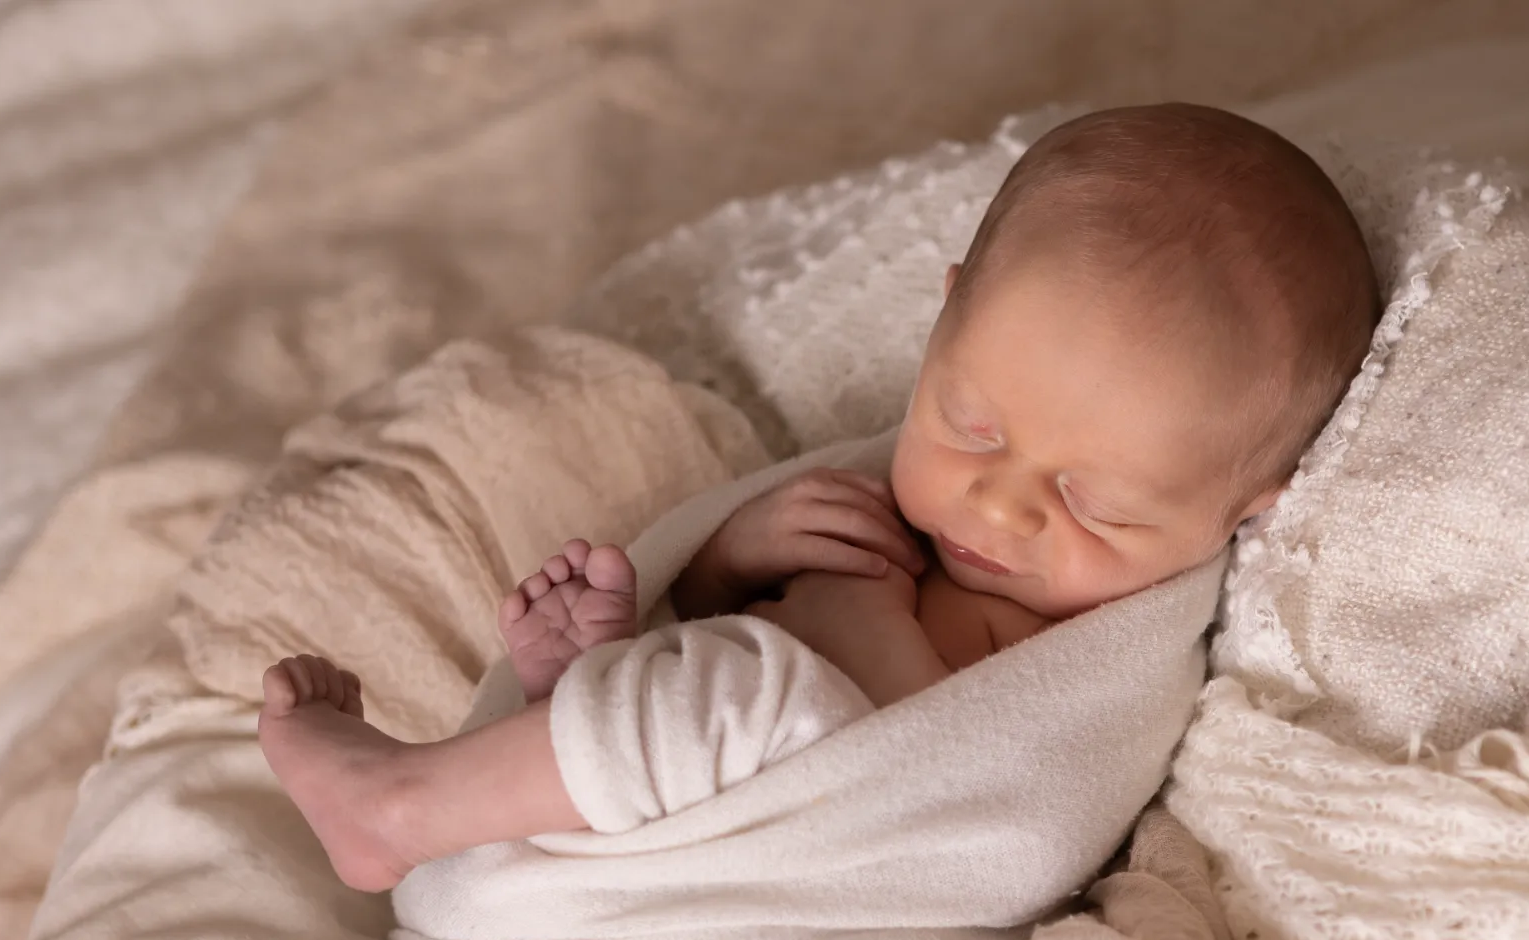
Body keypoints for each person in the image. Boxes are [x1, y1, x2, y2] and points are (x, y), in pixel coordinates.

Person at [258, 100, 1380, 895]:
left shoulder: (1123, 659)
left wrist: (865, 637)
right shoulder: (874, 499)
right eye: (970, 426)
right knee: (716, 687)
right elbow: (720, 619)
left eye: (1096, 507)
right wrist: (721, 564)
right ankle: (577, 713)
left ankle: (404, 805)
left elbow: (1002, 814)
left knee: (759, 704)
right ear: (941, 324)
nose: (996, 507)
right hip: (584, 897)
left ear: (1249, 507)